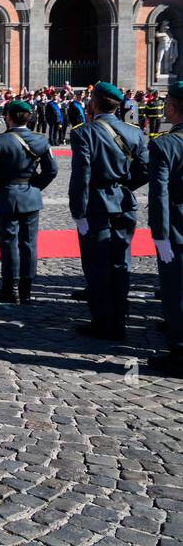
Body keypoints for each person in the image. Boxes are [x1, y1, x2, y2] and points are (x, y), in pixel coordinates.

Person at [69, 82, 149, 342]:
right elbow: (145, 170)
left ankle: (102, 320)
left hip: (96, 204)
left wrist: (78, 212)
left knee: (97, 264)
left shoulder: (85, 133)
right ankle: (119, 320)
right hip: (124, 203)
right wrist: (123, 187)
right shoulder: (135, 133)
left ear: (94, 102)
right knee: (121, 262)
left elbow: (82, 175)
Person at [0, 99, 58, 305]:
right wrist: (36, 186)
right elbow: (52, 170)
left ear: (8, 117)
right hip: (31, 196)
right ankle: (26, 290)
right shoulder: (41, 141)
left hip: (7, 197)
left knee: (9, 244)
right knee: (29, 244)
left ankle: (11, 288)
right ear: (30, 118)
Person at [148, 82, 183, 377]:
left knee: (175, 291)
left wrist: (159, 234)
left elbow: (159, 194)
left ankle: (179, 354)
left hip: (178, 226)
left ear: (171, 108)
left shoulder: (165, 145)